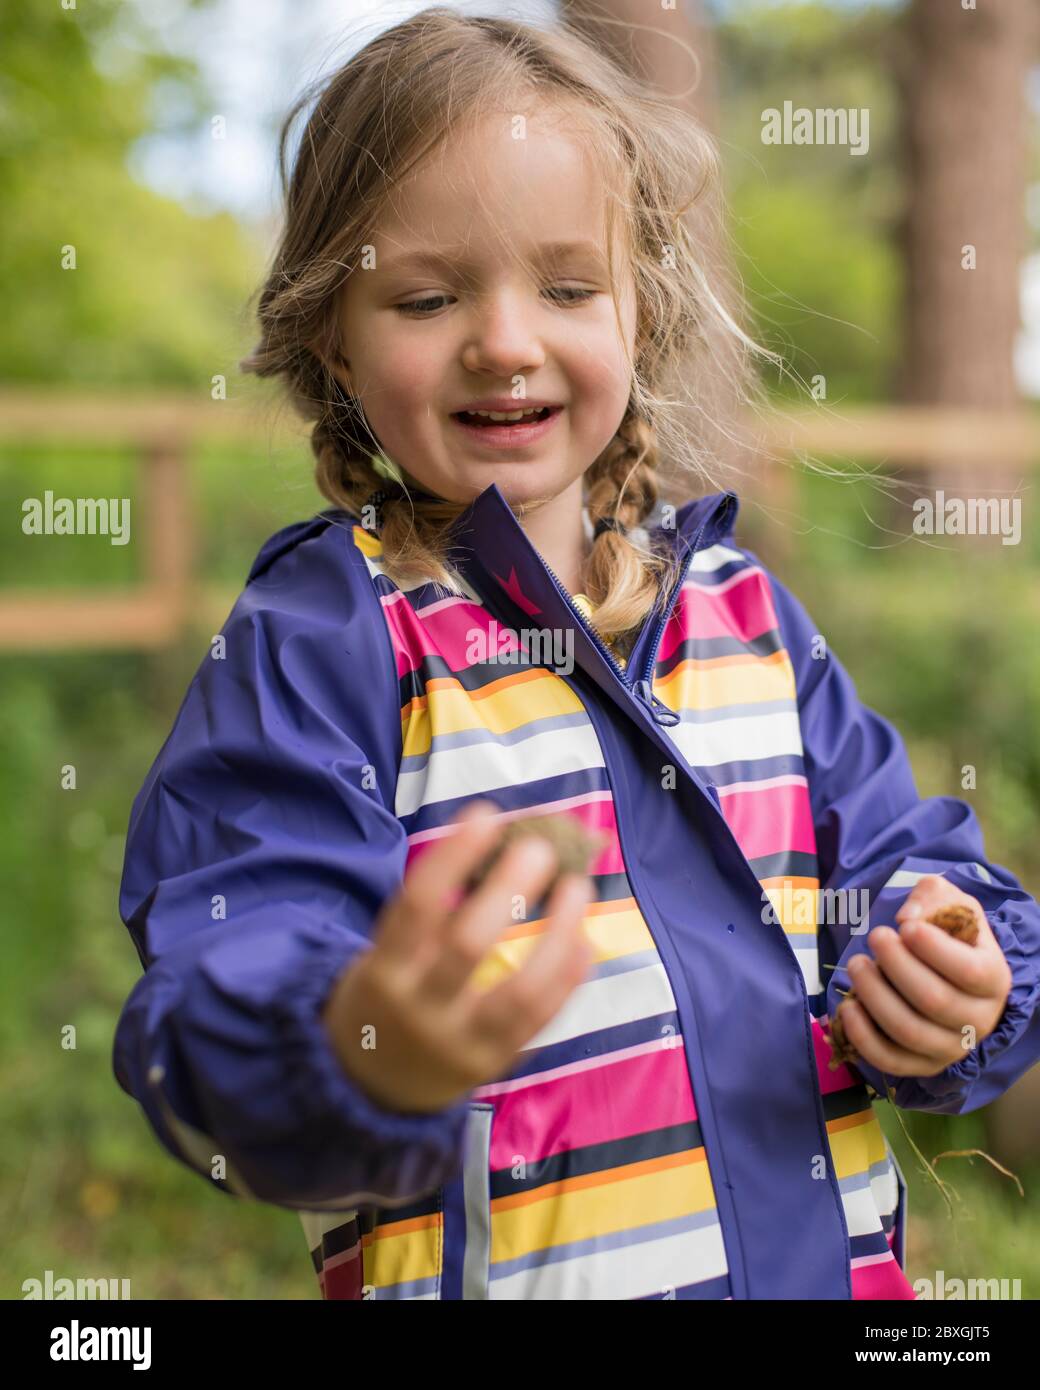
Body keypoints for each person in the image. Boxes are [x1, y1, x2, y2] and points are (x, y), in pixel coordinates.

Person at [113, 8, 1039, 1301]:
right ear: (335, 332)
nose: (504, 339)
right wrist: (359, 1038)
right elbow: (229, 963)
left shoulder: (748, 614)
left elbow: (906, 867)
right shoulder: (324, 641)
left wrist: (950, 966)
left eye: (565, 286)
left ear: (638, 310)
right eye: (430, 296)